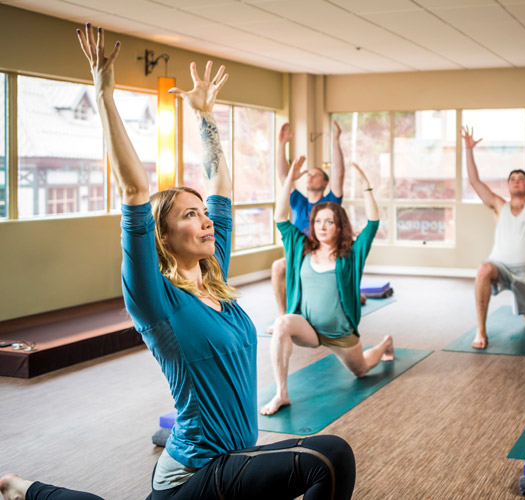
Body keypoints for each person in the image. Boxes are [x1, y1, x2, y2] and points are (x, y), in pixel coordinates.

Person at [0, 25, 355, 500]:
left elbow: (221, 183)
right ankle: (21, 489)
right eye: (191, 215)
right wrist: (104, 96)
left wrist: (204, 115)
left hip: (232, 462)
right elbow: (133, 191)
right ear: (162, 238)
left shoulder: (215, 275)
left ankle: (20, 490)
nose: (208, 221)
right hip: (195, 474)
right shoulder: (154, 301)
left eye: (205, 213)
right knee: (328, 457)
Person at [260, 156, 394, 416]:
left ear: (339, 225)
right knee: (282, 324)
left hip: (340, 333)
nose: (322, 226)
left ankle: (385, 344)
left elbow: (373, 224)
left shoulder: (352, 254)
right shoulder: (300, 247)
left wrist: (367, 186)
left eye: (329, 222)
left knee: (362, 370)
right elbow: (280, 216)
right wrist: (289, 179)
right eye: (318, 221)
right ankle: (281, 393)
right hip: (308, 328)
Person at [463, 126, 525, 349]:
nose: (516, 181)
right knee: (483, 270)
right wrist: (468, 149)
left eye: (521, 179)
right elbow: (475, 182)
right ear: (508, 186)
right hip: (500, 266)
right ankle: (481, 329)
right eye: (512, 179)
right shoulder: (499, 206)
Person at [269, 121, 357, 331]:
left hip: (322, 254)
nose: (310, 176)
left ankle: (351, 296)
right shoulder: (298, 201)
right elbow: (284, 177)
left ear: (325, 182)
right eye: (309, 174)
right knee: (278, 267)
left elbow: (339, 173)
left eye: (316, 174)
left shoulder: (330, 203)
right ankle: (284, 318)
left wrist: (335, 141)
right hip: (299, 254)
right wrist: (281, 144)